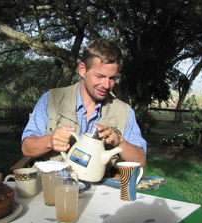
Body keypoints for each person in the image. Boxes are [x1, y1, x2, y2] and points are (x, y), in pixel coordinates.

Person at [21, 38, 147, 166]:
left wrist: (119, 141)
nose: (106, 85)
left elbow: (140, 161)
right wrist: (50, 141)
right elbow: (27, 148)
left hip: (99, 184)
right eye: (99, 76)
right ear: (82, 69)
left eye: (112, 78)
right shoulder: (50, 100)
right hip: (54, 182)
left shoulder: (124, 112)